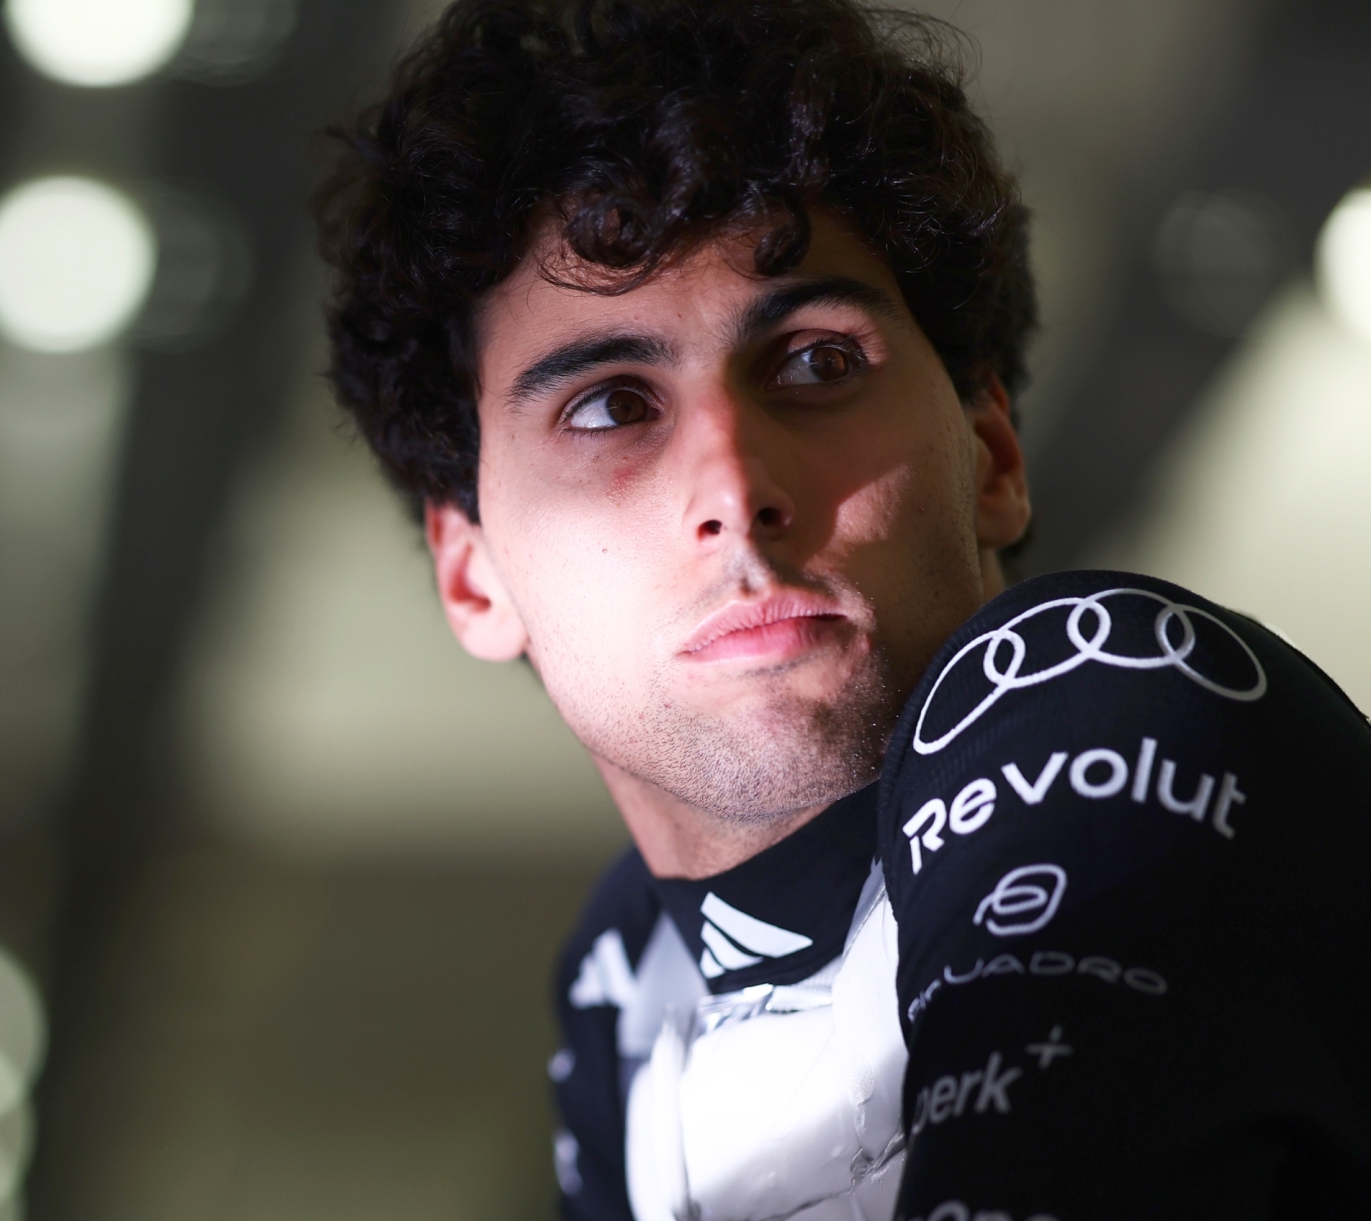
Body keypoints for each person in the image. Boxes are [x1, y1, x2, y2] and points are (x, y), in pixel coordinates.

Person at [312, 1, 1371, 1218]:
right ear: (472, 574)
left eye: (816, 363)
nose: (734, 486)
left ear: (993, 454)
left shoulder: (1095, 694)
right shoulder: (627, 987)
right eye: (609, 408)